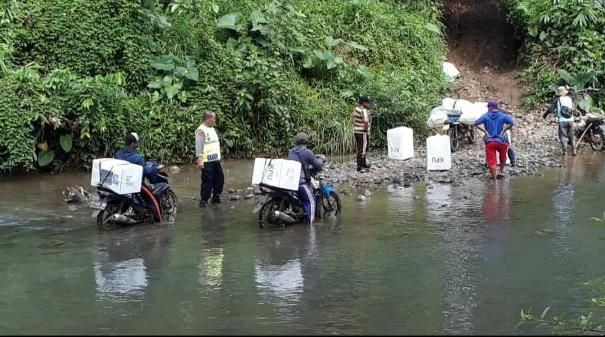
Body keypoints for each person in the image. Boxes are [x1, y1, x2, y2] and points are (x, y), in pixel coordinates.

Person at [287, 132, 326, 225]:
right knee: (311, 201)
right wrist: (322, 159)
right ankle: (310, 226)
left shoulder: (291, 151)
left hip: (290, 182)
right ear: (306, 142)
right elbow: (317, 164)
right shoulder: (307, 152)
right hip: (300, 183)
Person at [473, 99, 515, 181]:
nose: (488, 109)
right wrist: (504, 130)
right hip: (502, 141)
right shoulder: (502, 115)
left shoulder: (485, 116)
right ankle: (500, 172)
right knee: (503, 157)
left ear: (490, 107)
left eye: (488, 107)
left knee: (491, 161)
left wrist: (485, 131)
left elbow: (475, 123)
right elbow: (511, 123)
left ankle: (495, 181)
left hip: (490, 141)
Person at [195, 110, 224, 208]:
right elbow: (199, 145)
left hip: (215, 159)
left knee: (219, 178)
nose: (215, 120)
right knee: (207, 181)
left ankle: (216, 197)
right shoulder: (201, 130)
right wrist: (200, 159)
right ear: (208, 119)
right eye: (213, 118)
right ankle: (204, 201)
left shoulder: (211, 128)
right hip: (207, 161)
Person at [542, 86, 577, 156]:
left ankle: (565, 152)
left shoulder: (557, 100)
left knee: (563, 136)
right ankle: (574, 151)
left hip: (562, 121)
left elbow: (550, 109)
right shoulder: (570, 98)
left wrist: (544, 115)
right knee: (571, 135)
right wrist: (569, 89)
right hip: (571, 120)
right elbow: (573, 95)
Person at [353, 95, 372, 172]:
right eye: (368, 103)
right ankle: (360, 166)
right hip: (362, 132)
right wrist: (366, 130)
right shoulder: (363, 110)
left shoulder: (356, 109)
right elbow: (366, 121)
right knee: (362, 149)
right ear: (364, 103)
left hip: (357, 131)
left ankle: (363, 163)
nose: (369, 104)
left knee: (360, 147)